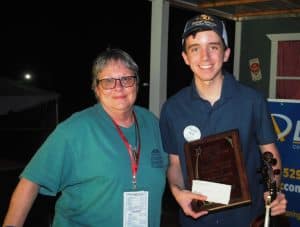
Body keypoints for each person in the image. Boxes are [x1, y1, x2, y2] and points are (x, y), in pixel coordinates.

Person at [3, 48, 168, 227]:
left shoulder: (151, 122)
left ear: (136, 83)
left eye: (126, 79)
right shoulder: (75, 129)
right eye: (108, 81)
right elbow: (30, 182)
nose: (118, 87)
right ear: (96, 88)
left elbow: (173, 165)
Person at [159, 14, 287, 226]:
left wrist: (274, 191)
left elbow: (269, 152)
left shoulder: (252, 100)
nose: (205, 57)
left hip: (246, 218)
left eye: (213, 47)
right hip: (197, 220)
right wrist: (177, 192)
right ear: (185, 57)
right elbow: (175, 163)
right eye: (195, 48)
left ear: (226, 53)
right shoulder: (173, 108)